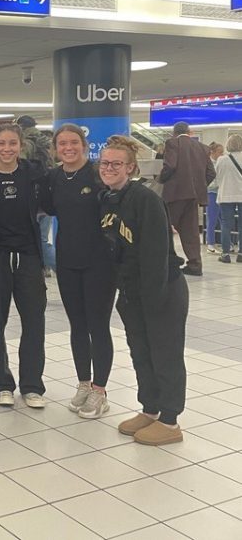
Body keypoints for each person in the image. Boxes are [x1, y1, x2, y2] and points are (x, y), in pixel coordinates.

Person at [99, 135, 188, 445]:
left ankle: (171, 420)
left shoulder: (146, 199)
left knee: (165, 354)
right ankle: (150, 409)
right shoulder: (107, 198)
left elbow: (154, 254)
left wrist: (151, 298)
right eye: (105, 163)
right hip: (132, 292)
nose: (109, 168)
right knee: (141, 353)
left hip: (161, 290)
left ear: (131, 167)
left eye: (116, 164)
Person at [39, 124, 116, 419]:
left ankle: (100, 390)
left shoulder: (98, 174)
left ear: (84, 145)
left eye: (73, 143)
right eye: (62, 144)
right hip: (67, 261)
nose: (68, 148)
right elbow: (48, 209)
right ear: (55, 149)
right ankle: (84, 382)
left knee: (98, 325)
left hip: (99, 262)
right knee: (78, 326)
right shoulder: (54, 177)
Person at [0, 123, 48, 409]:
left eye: (12, 143)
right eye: (1, 143)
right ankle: (2, 383)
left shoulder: (34, 173)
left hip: (28, 255)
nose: (7, 149)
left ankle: (32, 385)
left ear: (21, 145)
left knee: (34, 321)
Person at [158, 121, 215, 276]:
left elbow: (169, 166)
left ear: (174, 132)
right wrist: (199, 186)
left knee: (164, 228)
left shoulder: (172, 143)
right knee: (191, 231)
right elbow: (211, 173)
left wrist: (161, 179)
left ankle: (165, 262)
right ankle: (195, 265)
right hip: (194, 196)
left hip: (175, 194)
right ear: (189, 132)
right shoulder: (203, 148)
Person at [16, 116, 56, 276]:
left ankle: (59, 267)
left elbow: (21, 167)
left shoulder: (25, 143)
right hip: (47, 192)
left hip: (31, 195)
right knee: (42, 237)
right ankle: (44, 267)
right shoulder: (45, 141)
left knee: (38, 239)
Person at [215, 134, 242, 264]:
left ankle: (225, 254)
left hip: (226, 194)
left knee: (226, 224)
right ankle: (241, 254)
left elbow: (217, 177)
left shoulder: (222, 159)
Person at [206, 142, 224, 254]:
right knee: (212, 219)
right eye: (220, 152)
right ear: (212, 152)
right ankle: (210, 243)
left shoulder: (221, 162)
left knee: (223, 219)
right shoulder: (208, 164)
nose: (222, 154)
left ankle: (225, 242)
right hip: (212, 193)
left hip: (221, 192)